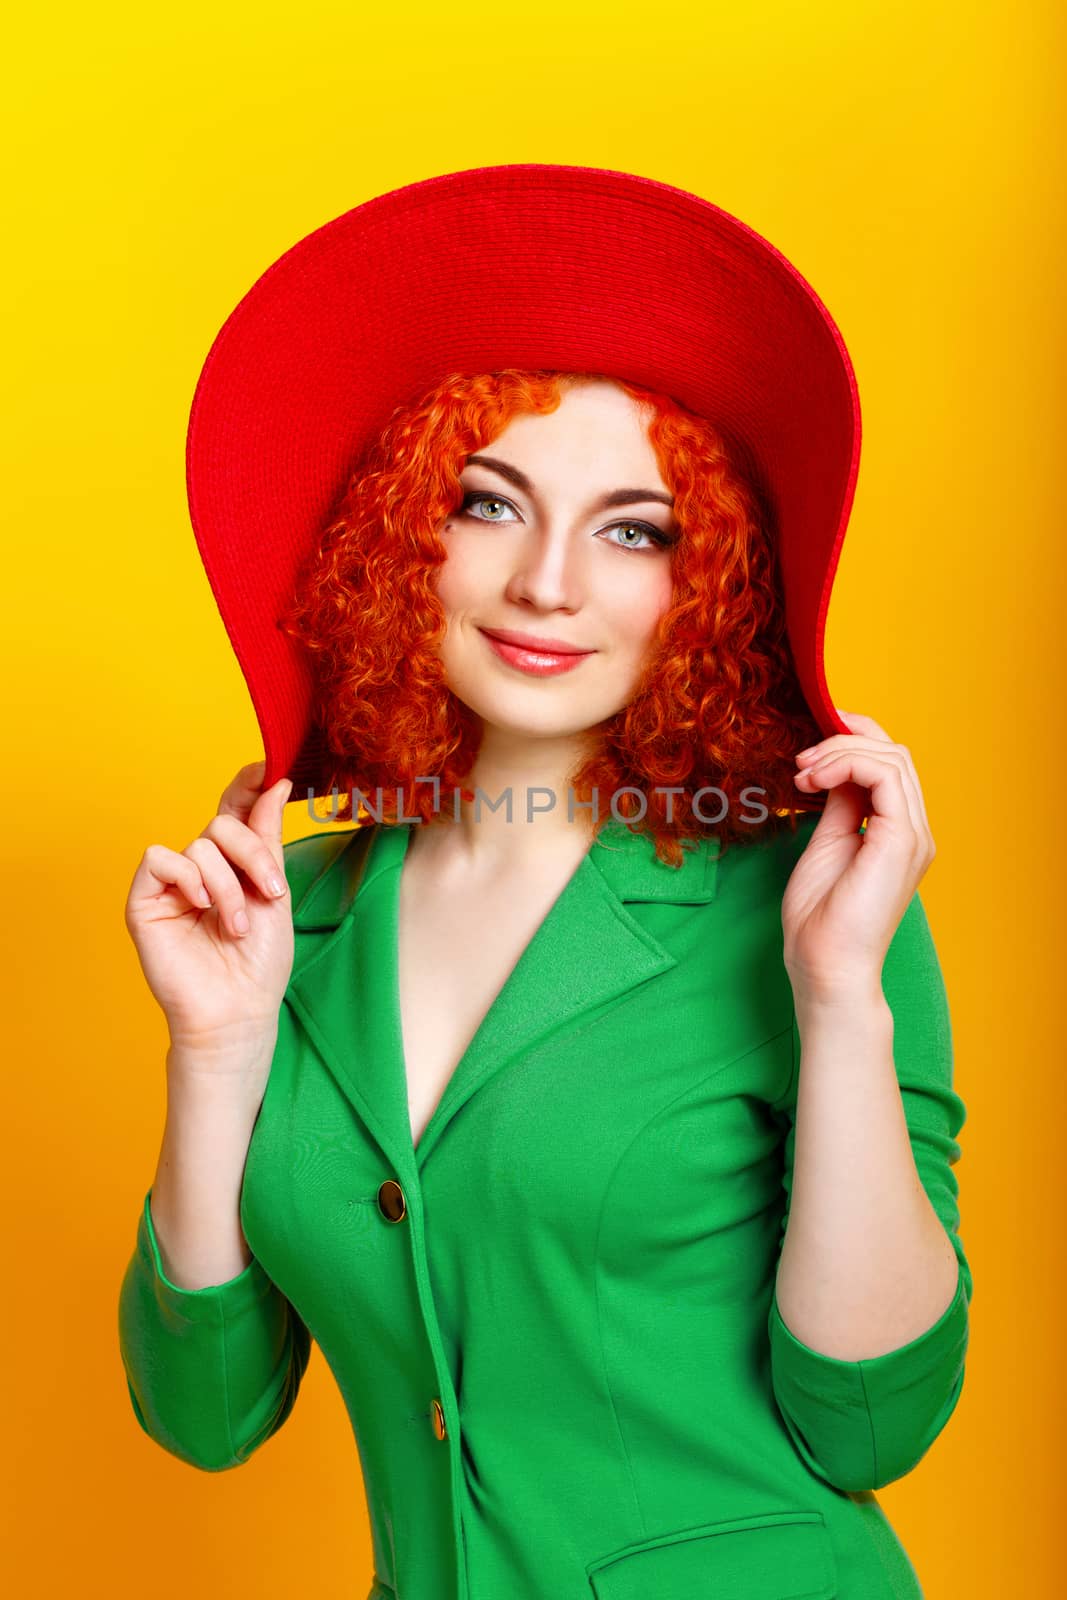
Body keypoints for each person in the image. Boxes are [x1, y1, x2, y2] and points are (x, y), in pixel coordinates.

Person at [117, 166, 971, 1600]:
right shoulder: (289, 919)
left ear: (705, 583)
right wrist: (213, 1055)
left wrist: (840, 1004)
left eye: (634, 529)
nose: (550, 585)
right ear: (397, 538)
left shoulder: (810, 904)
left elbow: (871, 1417)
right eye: (489, 505)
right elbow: (208, 1420)